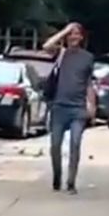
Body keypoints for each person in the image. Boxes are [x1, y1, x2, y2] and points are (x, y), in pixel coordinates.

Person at [43, 22, 97, 194]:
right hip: (59, 107)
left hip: (78, 109)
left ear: (82, 37)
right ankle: (57, 177)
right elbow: (46, 46)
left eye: (77, 33)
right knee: (55, 146)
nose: (73, 36)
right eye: (71, 34)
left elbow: (88, 84)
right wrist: (64, 30)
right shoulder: (61, 53)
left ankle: (71, 182)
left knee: (75, 143)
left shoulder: (87, 57)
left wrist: (92, 105)